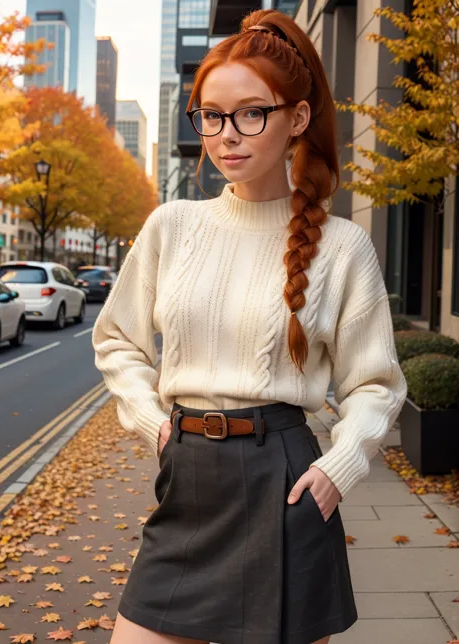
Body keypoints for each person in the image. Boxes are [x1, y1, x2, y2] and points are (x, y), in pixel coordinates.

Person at [92, 9, 407, 644]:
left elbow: (375, 383)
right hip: (188, 476)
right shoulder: (171, 226)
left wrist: (341, 466)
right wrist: (155, 425)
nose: (227, 134)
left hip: (286, 485)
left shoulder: (342, 248)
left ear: (296, 118)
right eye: (211, 115)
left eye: (250, 113)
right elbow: (116, 340)